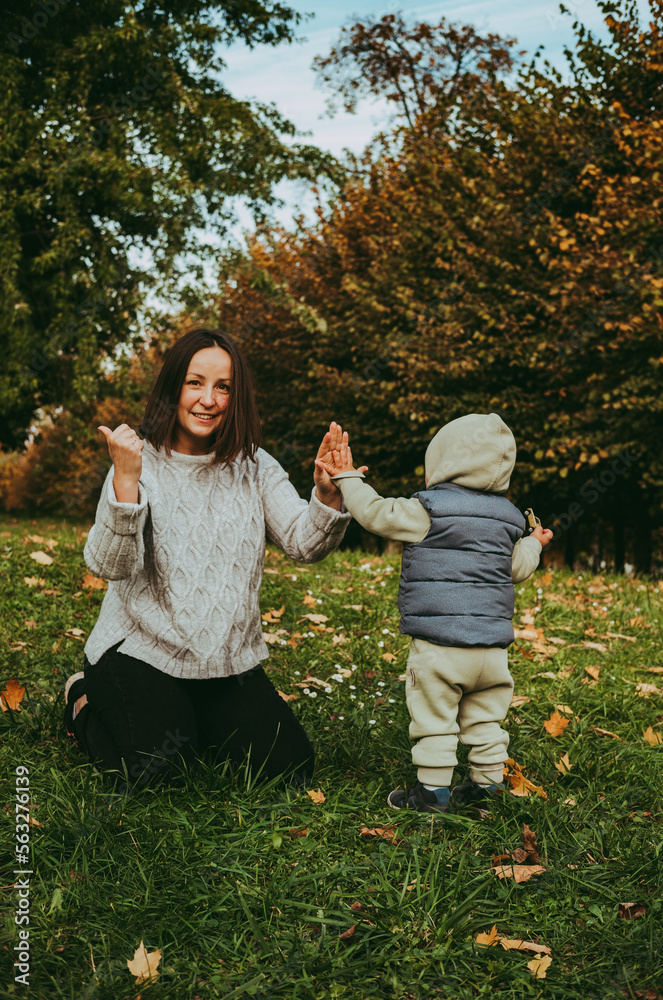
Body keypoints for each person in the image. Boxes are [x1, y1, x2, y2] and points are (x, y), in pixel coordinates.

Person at [63, 327, 352, 791]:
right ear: (174, 386)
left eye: (223, 387)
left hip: (224, 662)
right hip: (139, 651)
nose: (208, 399)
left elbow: (304, 543)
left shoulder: (256, 466)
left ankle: (192, 713)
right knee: (159, 775)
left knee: (289, 770)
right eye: (195, 382)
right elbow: (108, 566)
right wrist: (125, 486)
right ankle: (81, 700)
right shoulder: (138, 463)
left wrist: (327, 496)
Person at [315, 412, 553, 813]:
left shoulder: (429, 509)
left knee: (434, 718)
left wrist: (348, 478)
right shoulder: (509, 520)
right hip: (493, 652)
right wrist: (534, 544)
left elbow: (376, 513)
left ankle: (432, 795)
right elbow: (517, 569)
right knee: (485, 721)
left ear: (443, 459)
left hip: (439, 649)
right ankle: (488, 791)